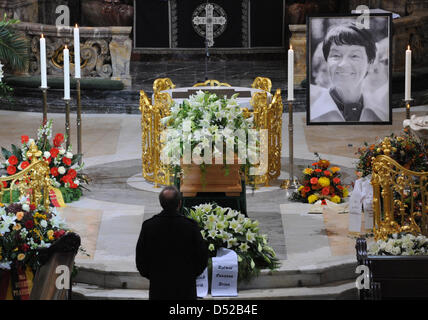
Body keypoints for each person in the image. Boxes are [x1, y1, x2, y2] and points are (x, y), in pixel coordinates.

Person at [135, 186, 208, 300]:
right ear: (179, 203)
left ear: (161, 203)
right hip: (185, 288)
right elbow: (202, 257)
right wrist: (190, 275)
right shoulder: (190, 226)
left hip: (159, 288)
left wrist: (155, 276)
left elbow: (140, 259)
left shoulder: (149, 226)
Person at [310, 23, 389, 123]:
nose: (343, 64)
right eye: (336, 55)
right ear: (327, 61)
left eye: (354, 56)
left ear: (370, 63)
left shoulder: (381, 115)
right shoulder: (311, 111)